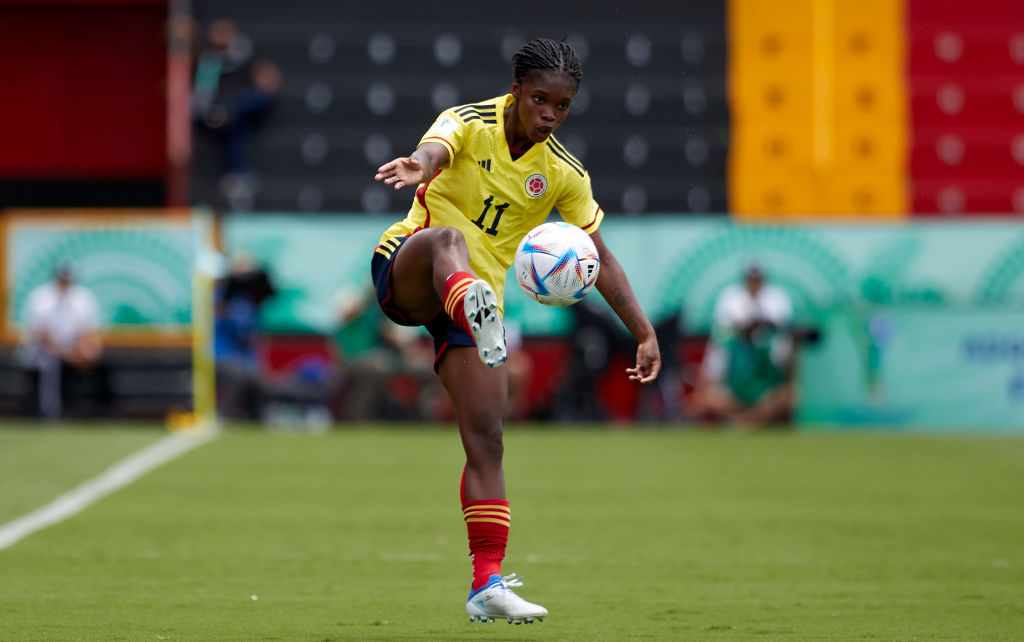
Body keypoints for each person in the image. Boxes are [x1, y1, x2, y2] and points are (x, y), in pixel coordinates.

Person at [372, 38, 661, 624]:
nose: (549, 114)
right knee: (448, 242)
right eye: (539, 99)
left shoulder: (562, 174)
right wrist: (417, 165)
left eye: (562, 105)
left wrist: (644, 331)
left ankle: (488, 583)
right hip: (413, 268)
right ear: (516, 90)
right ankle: (470, 300)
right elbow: (434, 149)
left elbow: (599, 259)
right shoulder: (469, 123)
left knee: (488, 440)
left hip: (474, 321)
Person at [689, 262, 795, 428]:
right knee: (709, 398)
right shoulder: (729, 340)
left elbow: (784, 362)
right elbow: (715, 362)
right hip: (735, 393)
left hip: (765, 394)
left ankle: (744, 422)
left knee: (789, 396)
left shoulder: (773, 340)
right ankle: (751, 421)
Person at [19, 263, 106, 419]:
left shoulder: (83, 298)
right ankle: (49, 411)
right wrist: (67, 354)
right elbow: (43, 336)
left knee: (101, 366)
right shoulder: (41, 297)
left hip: (73, 351)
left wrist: (84, 353)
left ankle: (98, 412)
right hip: (43, 352)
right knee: (50, 365)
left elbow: (88, 332)